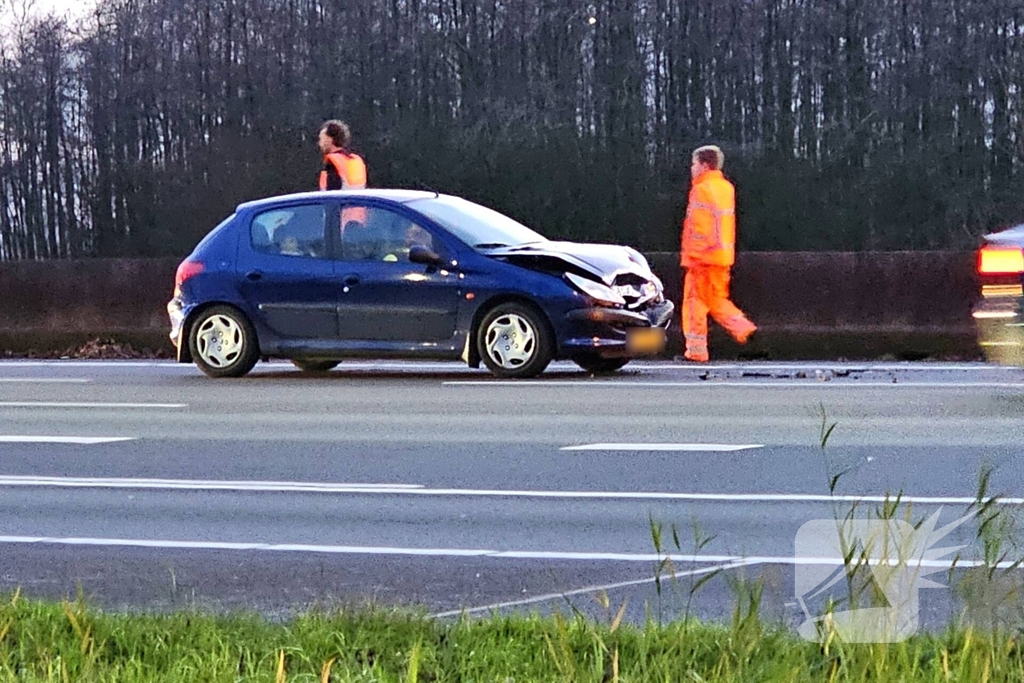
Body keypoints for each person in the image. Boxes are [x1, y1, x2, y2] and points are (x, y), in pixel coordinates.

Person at [679, 145, 756, 362]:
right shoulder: (725, 188)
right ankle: (746, 332)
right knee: (715, 300)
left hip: (702, 260)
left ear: (704, 165)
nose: (691, 168)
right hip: (721, 257)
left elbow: (699, 228)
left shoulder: (701, 189)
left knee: (695, 305)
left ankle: (698, 350)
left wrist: (691, 257)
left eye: (694, 164)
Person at [317, 120, 367, 190]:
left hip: (340, 200)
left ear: (329, 139)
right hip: (358, 200)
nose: (320, 144)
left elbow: (332, 194)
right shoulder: (356, 160)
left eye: (321, 139)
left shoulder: (333, 162)